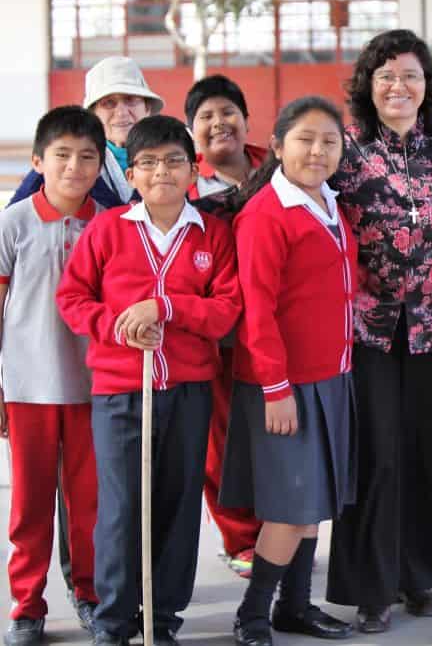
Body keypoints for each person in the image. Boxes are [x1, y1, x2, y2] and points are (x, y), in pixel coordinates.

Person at [57, 115, 242, 646]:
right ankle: (113, 623)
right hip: (118, 392)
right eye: (149, 163)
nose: (162, 171)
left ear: (192, 171)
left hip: (188, 391)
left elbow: (226, 309)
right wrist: (116, 326)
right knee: (118, 508)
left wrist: (166, 307)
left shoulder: (214, 234)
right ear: (131, 174)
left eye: (174, 161)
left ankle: (162, 619)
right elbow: (72, 300)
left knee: (178, 503)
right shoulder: (108, 229)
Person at [323, 28, 432, 632]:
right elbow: (292, 196)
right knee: (377, 454)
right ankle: (372, 587)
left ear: (427, 85)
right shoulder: (345, 148)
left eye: (410, 75)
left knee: (420, 453)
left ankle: (418, 576)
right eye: (386, 75)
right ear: (368, 84)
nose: (398, 85)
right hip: (367, 327)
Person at [219, 96, 358, 646]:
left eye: (329, 141)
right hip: (284, 385)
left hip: (331, 377)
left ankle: (295, 607)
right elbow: (258, 309)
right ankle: (254, 615)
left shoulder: (328, 201)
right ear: (276, 147)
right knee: (288, 507)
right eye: (305, 139)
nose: (318, 151)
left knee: (314, 501)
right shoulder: (265, 215)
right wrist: (276, 388)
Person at [1, 107, 106, 646]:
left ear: (101, 164)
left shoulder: (110, 225)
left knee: (89, 504)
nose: (74, 166)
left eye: (87, 156)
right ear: (39, 161)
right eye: (62, 155)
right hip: (28, 388)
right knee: (31, 503)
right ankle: (27, 605)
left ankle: (90, 596)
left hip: (95, 390)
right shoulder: (13, 222)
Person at [183, 75, 266, 578]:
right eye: (206, 117)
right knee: (221, 442)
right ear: (192, 133)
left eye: (228, 112)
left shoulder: (284, 169)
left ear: (246, 119)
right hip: (217, 339)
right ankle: (241, 540)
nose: (220, 123)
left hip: (279, 333)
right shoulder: (184, 188)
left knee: (280, 438)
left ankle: (285, 534)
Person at [10, 56, 163, 208]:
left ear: (147, 108)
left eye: (131, 100)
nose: (121, 112)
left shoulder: (170, 156)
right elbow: (12, 220)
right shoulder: (67, 158)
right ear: (93, 114)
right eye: (109, 103)